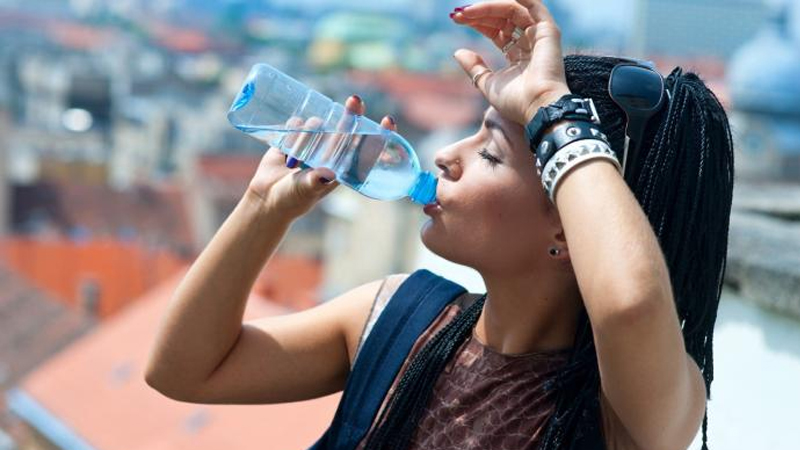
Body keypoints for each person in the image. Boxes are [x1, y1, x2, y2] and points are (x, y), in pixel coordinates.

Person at [145, 1, 733, 449]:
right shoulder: (399, 317)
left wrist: (552, 108)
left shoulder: (627, 411)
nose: (449, 154)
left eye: (492, 153)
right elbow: (184, 370)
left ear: (567, 226)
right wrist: (261, 207)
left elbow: (630, 304)